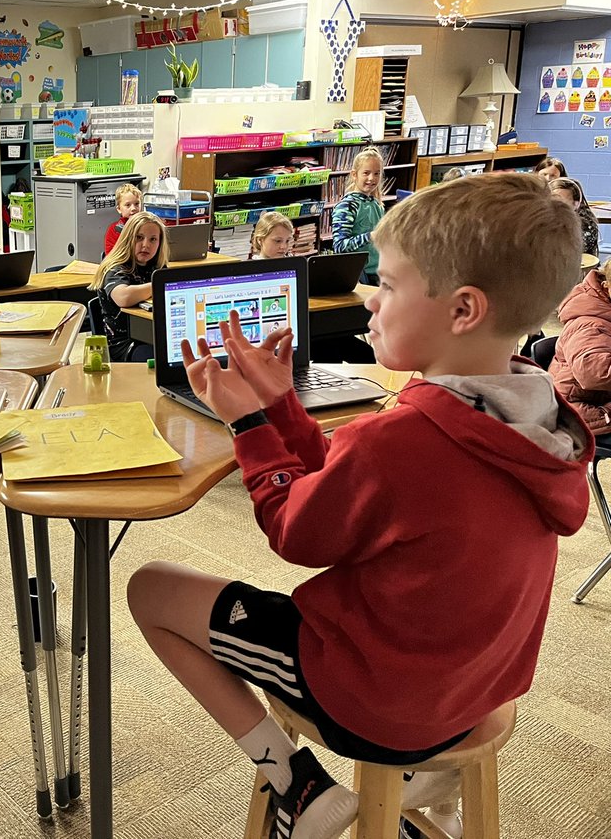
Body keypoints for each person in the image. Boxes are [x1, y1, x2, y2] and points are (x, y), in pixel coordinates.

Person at [127, 172, 592, 839]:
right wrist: (283, 406)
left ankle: (299, 784)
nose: (372, 299)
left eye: (392, 284)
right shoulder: (537, 417)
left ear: (463, 310)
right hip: (476, 687)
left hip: (378, 700)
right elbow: (359, 493)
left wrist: (249, 426)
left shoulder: (398, 438)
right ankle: (429, 788)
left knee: (152, 590)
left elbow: (297, 533)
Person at [88, 211, 168, 362]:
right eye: (139, 238)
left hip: (154, 334)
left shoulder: (157, 267)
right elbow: (123, 297)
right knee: (164, 359)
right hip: (124, 344)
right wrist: (159, 284)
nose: (146, 245)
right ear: (127, 238)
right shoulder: (114, 268)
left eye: (153, 239)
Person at [550, 258, 611, 438]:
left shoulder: (604, 306)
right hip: (575, 408)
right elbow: (594, 373)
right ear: (606, 285)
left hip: (597, 396)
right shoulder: (588, 324)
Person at [330, 146, 386, 285]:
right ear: (354, 174)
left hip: (378, 272)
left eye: (377, 173)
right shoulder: (347, 206)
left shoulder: (377, 205)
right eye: (366, 173)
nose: (371, 178)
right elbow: (339, 246)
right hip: (360, 276)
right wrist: (370, 236)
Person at [549, 176, 600, 256]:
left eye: (565, 200)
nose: (559, 204)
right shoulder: (542, 218)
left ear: (576, 203)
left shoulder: (586, 223)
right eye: (555, 198)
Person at [104, 183, 144, 256]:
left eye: (137, 204)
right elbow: (111, 256)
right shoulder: (114, 230)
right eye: (128, 205)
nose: (133, 208)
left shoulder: (146, 226)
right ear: (119, 209)